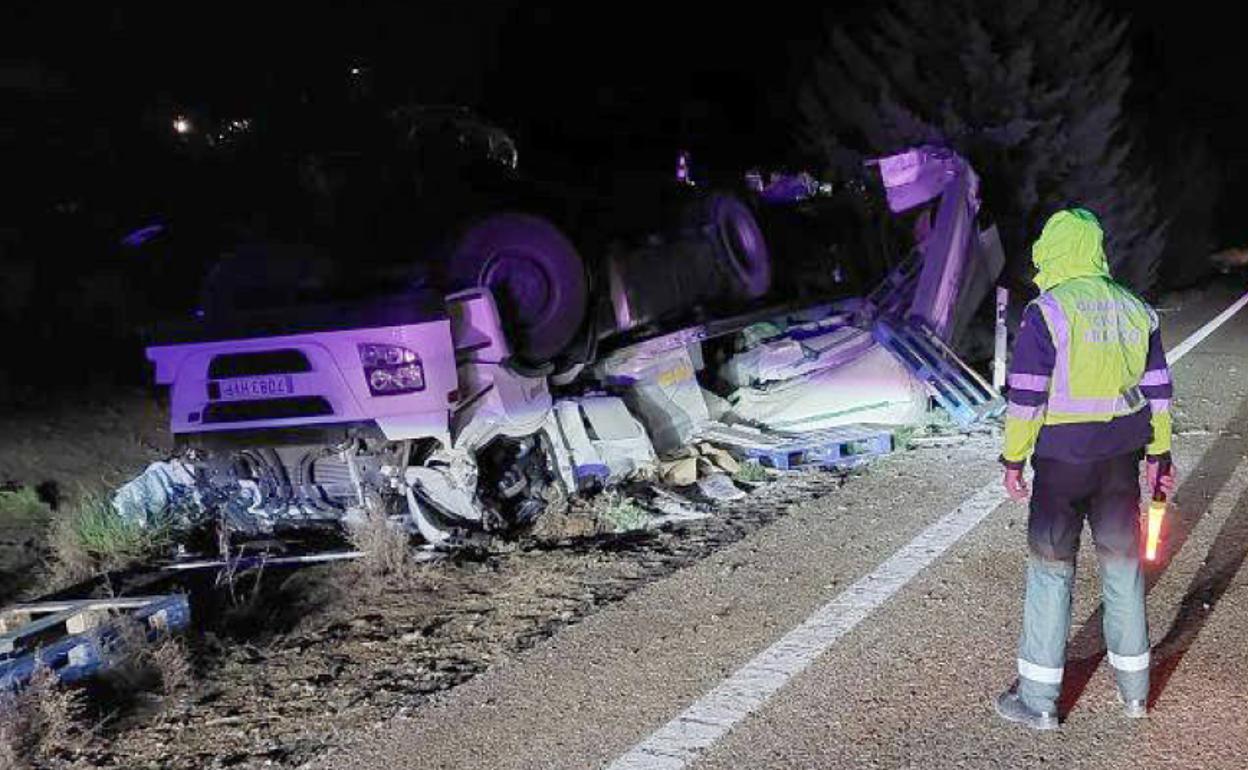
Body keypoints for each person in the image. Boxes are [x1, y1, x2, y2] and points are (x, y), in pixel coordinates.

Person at [994, 208, 1176, 730]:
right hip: (1121, 461)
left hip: (1061, 463)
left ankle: (1038, 701)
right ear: (1097, 249)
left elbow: (1026, 398)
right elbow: (1160, 392)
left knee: (1052, 573)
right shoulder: (1137, 310)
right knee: (1123, 570)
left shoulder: (1048, 311)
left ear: (1051, 250)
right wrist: (1159, 456)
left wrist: (1013, 459)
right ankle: (1135, 694)